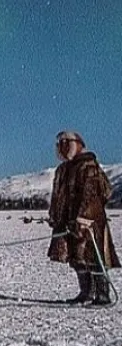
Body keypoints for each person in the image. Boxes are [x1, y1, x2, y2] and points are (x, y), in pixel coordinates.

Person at [46, 131, 118, 306]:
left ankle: (102, 294)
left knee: (93, 257)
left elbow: (95, 194)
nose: (62, 147)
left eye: (65, 143)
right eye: (59, 144)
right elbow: (58, 196)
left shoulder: (89, 166)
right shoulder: (62, 169)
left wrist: (84, 217)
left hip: (89, 222)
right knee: (76, 258)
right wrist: (55, 216)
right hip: (67, 222)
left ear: (76, 143)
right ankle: (86, 293)